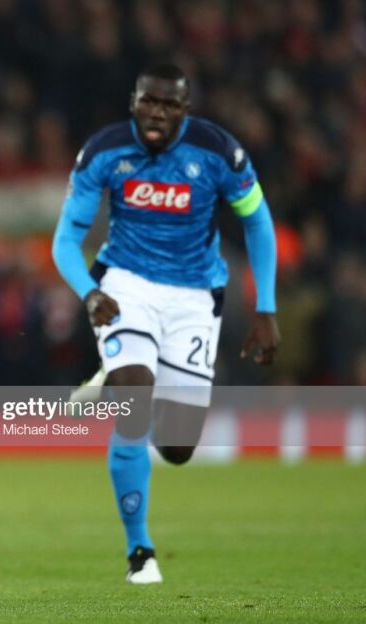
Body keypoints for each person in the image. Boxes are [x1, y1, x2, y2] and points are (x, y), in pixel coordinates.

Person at [52, 63, 279, 584]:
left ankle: (113, 378)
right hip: (126, 284)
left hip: (195, 296)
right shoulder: (103, 152)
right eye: (148, 101)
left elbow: (258, 222)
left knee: (177, 449)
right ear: (133, 102)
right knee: (134, 405)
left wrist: (266, 308)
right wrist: (90, 293)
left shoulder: (219, 153)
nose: (156, 113)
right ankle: (140, 551)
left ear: (185, 110)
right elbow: (65, 240)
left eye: (168, 104)